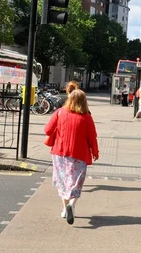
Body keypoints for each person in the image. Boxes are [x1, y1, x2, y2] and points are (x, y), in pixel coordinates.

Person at [44, 90, 99, 225]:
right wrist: (95, 152)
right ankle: (72, 204)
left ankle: (65, 208)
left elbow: (47, 130)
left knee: (63, 181)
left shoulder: (60, 112)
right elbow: (92, 137)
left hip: (60, 152)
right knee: (76, 181)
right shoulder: (86, 117)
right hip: (79, 154)